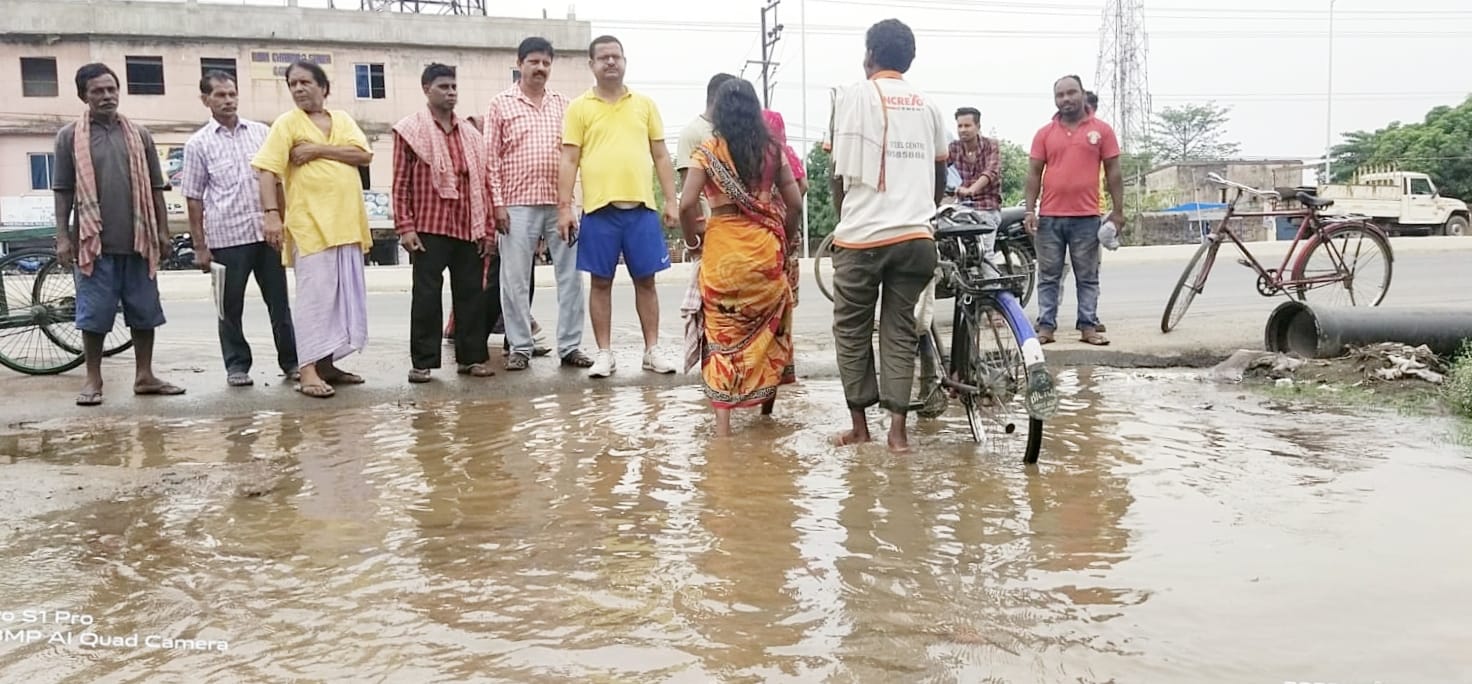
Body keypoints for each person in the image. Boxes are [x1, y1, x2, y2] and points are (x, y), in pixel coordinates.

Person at [826, 19, 948, 453]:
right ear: (909, 59)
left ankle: (861, 429)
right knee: (899, 332)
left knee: (853, 332)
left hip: (861, 239)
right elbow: (938, 174)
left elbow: (837, 174)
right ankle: (898, 435)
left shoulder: (849, 98)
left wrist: (847, 219)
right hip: (917, 239)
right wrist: (921, 216)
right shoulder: (929, 106)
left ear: (869, 55)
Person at [52, 62, 185, 406]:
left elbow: (157, 187)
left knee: (144, 311)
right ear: (83, 95)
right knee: (94, 315)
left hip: (139, 241)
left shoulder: (139, 134)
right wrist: (63, 237)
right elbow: (63, 189)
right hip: (93, 243)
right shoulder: (69, 137)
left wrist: (163, 233)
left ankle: (145, 376)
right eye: (98, 90)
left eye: (111, 89)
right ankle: (93, 379)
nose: (107, 96)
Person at [679, 78, 803, 437]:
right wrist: (787, 240)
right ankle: (766, 413)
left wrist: (692, 239)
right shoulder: (772, 150)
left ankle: (723, 429)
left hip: (722, 253)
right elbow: (794, 203)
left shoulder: (707, 150)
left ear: (718, 110)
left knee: (722, 337)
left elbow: (687, 204)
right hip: (765, 253)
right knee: (769, 332)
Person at [558, 35, 681, 378]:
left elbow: (660, 155)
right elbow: (569, 159)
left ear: (625, 61)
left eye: (616, 57)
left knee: (647, 281)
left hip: (641, 208)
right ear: (592, 65)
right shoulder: (579, 107)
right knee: (600, 282)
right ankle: (604, 353)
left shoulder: (644, 104)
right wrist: (564, 207)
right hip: (599, 211)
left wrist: (671, 200)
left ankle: (652, 350)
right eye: (603, 58)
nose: (610, 62)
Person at [251, 60, 375, 398]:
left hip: (346, 224)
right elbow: (265, 171)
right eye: (292, 84)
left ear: (323, 87)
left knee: (340, 299)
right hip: (310, 226)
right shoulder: (286, 124)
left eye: (306, 82)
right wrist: (271, 214)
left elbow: (364, 156)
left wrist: (317, 149)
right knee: (314, 300)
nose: (299, 89)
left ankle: (328, 365)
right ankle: (307, 370)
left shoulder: (343, 120)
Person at [181, 70, 298, 388]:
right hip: (226, 238)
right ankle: (237, 366)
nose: (228, 100)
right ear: (205, 100)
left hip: (267, 235)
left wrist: (285, 225)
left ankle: (291, 362)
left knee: (279, 303)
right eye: (220, 95)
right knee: (229, 307)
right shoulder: (198, 144)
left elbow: (276, 181)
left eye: (232, 93)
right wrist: (200, 246)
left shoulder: (262, 133)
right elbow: (193, 199)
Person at [486, 36, 590, 372]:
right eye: (534, 62)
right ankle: (520, 346)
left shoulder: (565, 105)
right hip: (516, 206)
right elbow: (491, 159)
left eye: (546, 63)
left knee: (572, 278)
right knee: (514, 279)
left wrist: (574, 204)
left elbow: (577, 154)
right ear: (520, 64)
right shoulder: (500, 104)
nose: (540, 68)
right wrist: (498, 205)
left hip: (560, 205)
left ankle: (571, 346)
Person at [393, 63, 496, 383]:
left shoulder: (471, 134)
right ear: (426, 89)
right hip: (428, 226)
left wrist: (488, 228)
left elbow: (484, 181)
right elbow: (400, 182)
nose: (451, 92)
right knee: (426, 295)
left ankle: (472, 358)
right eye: (443, 87)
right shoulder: (410, 130)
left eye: (454, 87)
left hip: (468, 226)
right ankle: (422, 363)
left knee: (470, 295)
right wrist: (405, 226)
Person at [1023, 75, 1124, 347]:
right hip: (1050, 218)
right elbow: (1033, 174)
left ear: (1081, 94)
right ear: (1055, 100)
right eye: (1060, 95)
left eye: (1071, 93)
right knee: (1048, 276)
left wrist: (1118, 211)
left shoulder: (1102, 131)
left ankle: (1088, 327)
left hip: (1087, 217)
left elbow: (1114, 173)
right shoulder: (1044, 134)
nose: (1066, 99)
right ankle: (1046, 327)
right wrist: (1029, 210)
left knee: (1087, 276)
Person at [761, 109, 807, 304]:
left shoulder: (759, 154)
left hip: (766, 227)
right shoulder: (787, 152)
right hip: (789, 225)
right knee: (787, 273)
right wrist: (787, 207)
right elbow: (804, 185)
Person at [947, 106, 1002, 254]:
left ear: (977, 126)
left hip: (986, 207)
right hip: (963, 206)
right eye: (960, 126)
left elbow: (991, 172)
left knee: (984, 254)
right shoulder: (954, 147)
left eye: (967, 125)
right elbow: (938, 167)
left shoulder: (991, 145)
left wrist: (971, 190)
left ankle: (990, 276)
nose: (963, 130)